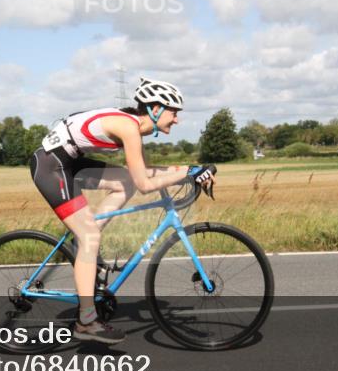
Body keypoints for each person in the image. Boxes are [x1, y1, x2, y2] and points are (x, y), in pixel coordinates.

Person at [29, 77, 216, 344]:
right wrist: (187, 172)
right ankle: (86, 321)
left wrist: (190, 170)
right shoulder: (128, 127)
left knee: (123, 182)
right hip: (51, 166)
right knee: (90, 236)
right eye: (174, 113)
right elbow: (146, 184)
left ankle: (83, 240)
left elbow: (143, 174)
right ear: (155, 109)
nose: (177, 120)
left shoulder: (133, 127)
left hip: (69, 161)